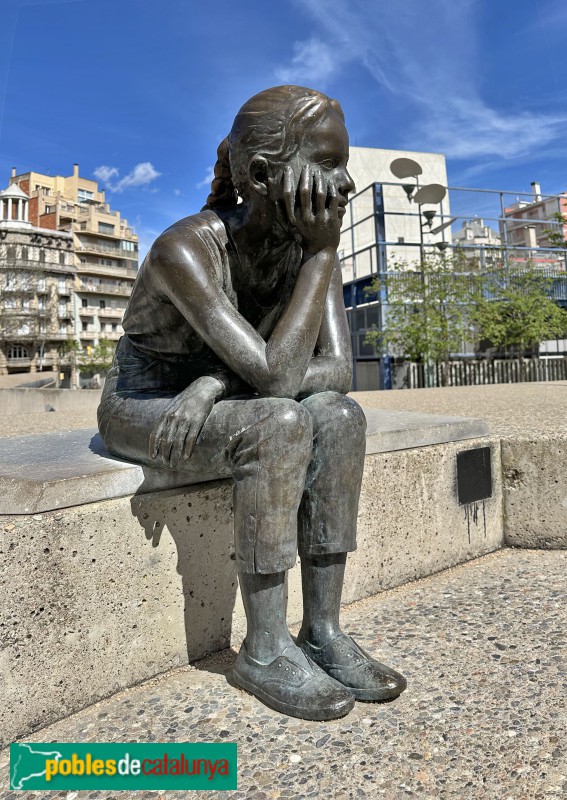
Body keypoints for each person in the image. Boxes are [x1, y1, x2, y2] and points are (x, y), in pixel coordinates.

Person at [98, 85, 406, 720]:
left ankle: (322, 629)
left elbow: (338, 372)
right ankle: (262, 648)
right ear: (263, 174)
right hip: (147, 402)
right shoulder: (187, 248)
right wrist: (323, 252)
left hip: (211, 398)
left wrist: (213, 383)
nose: (344, 184)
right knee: (280, 423)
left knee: (340, 418)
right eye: (327, 163)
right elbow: (274, 377)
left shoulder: (305, 250)